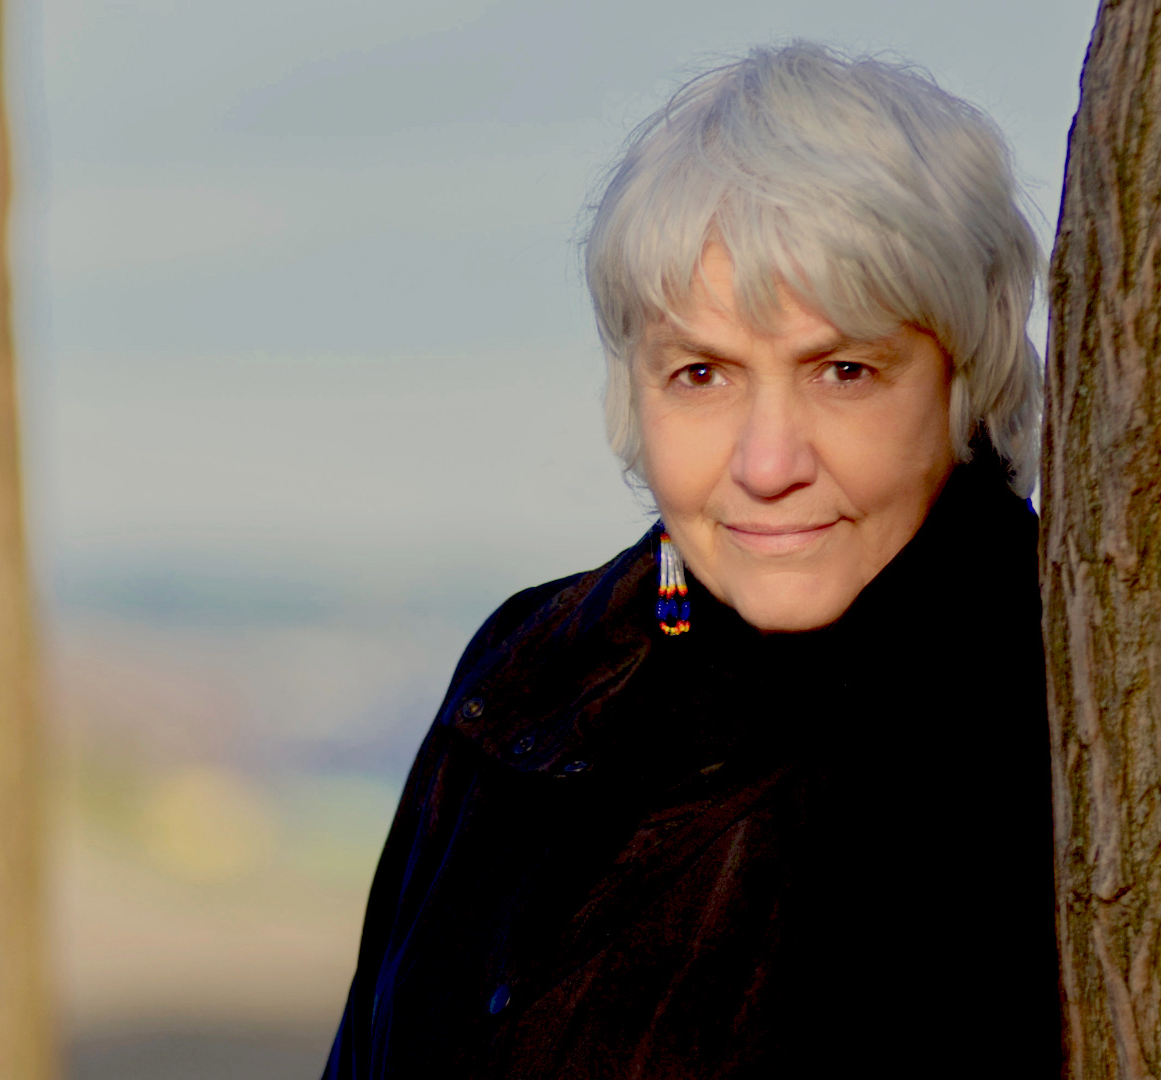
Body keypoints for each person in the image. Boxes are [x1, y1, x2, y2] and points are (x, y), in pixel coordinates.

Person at [323, 42, 1058, 1079]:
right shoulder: (528, 671)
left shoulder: (1050, 712)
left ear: (964, 375)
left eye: (845, 370)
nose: (768, 464)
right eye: (703, 373)